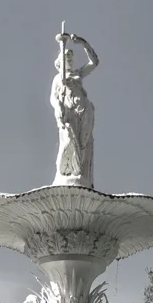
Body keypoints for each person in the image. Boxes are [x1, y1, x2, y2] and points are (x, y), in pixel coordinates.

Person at [51, 32, 98, 188]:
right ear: (60, 62)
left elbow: (95, 62)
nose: (70, 60)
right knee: (69, 142)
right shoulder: (58, 79)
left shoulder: (78, 74)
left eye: (71, 58)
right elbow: (53, 98)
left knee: (83, 144)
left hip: (83, 113)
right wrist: (58, 110)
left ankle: (80, 174)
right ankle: (66, 172)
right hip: (69, 115)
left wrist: (83, 43)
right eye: (66, 58)